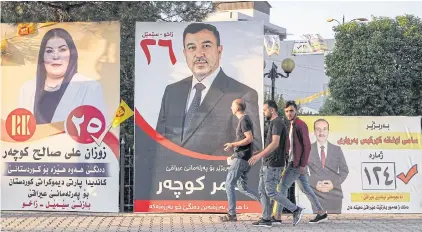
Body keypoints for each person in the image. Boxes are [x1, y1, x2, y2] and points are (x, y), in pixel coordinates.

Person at [156, 23, 262, 156]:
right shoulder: (172, 92)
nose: (199, 54)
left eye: (206, 46)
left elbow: (253, 147)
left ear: (219, 50)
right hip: (172, 175)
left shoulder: (243, 94)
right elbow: (158, 144)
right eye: (191, 47)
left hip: (216, 174)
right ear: (185, 53)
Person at [18, 28, 107, 124]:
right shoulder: (27, 89)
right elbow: (20, 132)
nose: (56, 56)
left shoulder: (90, 87)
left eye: (62, 50)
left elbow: (98, 131)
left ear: (71, 55)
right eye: (49, 51)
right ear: (42, 57)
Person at [248, 100, 303, 228]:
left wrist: (258, 156)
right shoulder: (274, 123)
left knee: (271, 191)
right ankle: (266, 218)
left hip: (273, 164)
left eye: (265, 110)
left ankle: (295, 209)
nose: (263, 112)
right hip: (267, 162)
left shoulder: (277, 122)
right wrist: (258, 153)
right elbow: (270, 145)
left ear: (271, 110)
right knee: (262, 191)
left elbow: (275, 144)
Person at [271, 104, 329, 224]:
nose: (289, 113)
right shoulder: (291, 125)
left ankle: (277, 216)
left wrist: (303, 164)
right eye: (286, 111)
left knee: (282, 187)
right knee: (305, 188)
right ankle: (321, 212)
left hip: (296, 164)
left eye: (291, 110)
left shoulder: (300, 125)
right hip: (294, 162)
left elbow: (307, 146)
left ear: (296, 111)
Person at [219, 99, 260, 222]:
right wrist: (234, 154)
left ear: (237, 108)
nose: (231, 108)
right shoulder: (244, 120)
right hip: (242, 157)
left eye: (232, 106)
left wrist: (232, 144)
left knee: (229, 183)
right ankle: (266, 202)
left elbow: (249, 139)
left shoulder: (244, 120)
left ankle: (231, 214)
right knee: (242, 187)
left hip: (241, 158)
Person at [307, 118, 349, 214]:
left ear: (328, 131)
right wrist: (314, 184)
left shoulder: (337, 149)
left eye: (324, 129)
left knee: (336, 226)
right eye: (318, 129)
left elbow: (344, 171)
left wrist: (333, 184)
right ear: (314, 132)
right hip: (316, 195)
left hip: (335, 196)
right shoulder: (308, 150)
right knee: (318, 227)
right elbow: (302, 172)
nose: (321, 132)